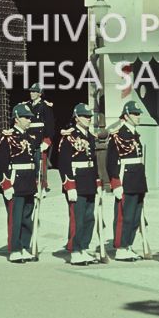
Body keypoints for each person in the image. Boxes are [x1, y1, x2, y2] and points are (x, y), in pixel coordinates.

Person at [58, 102, 102, 265]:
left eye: (90, 116)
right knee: (78, 218)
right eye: (85, 116)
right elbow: (63, 163)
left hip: (89, 181)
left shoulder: (90, 136)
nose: (89, 119)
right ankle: (75, 250)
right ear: (76, 118)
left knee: (90, 218)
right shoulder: (69, 136)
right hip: (76, 182)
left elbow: (94, 161)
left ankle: (84, 247)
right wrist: (69, 185)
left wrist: (97, 182)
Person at [0, 103, 40, 263]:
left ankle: (23, 247)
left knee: (27, 218)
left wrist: (38, 184)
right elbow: (1, 163)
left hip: (28, 183)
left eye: (30, 118)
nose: (29, 120)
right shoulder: (8, 138)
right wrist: (6, 185)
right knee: (15, 218)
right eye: (26, 117)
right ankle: (14, 249)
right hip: (15, 183)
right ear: (16, 118)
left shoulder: (29, 137)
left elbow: (34, 163)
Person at [106, 100, 148, 261]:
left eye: (138, 114)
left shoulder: (134, 134)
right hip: (126, 179)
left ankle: (128, 244)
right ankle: (121, 247)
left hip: (137, 180)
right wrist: (115, 183)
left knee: (135, 216)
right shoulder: (117, 135)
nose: (138, 117)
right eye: (135, 114)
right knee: (125, 216)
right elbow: (111, 161)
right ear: (126, 115)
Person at [25, 83, 55, 194]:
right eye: (31, 91)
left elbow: (50, 125)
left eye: (34, 91)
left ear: (40, 93)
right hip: (29, 139)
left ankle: (42, 185)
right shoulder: (27, 105)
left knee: (40, 164)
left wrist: (47, 141)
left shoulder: (45, 106)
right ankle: (31, 185)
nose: (31, 93)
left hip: (40, 139)